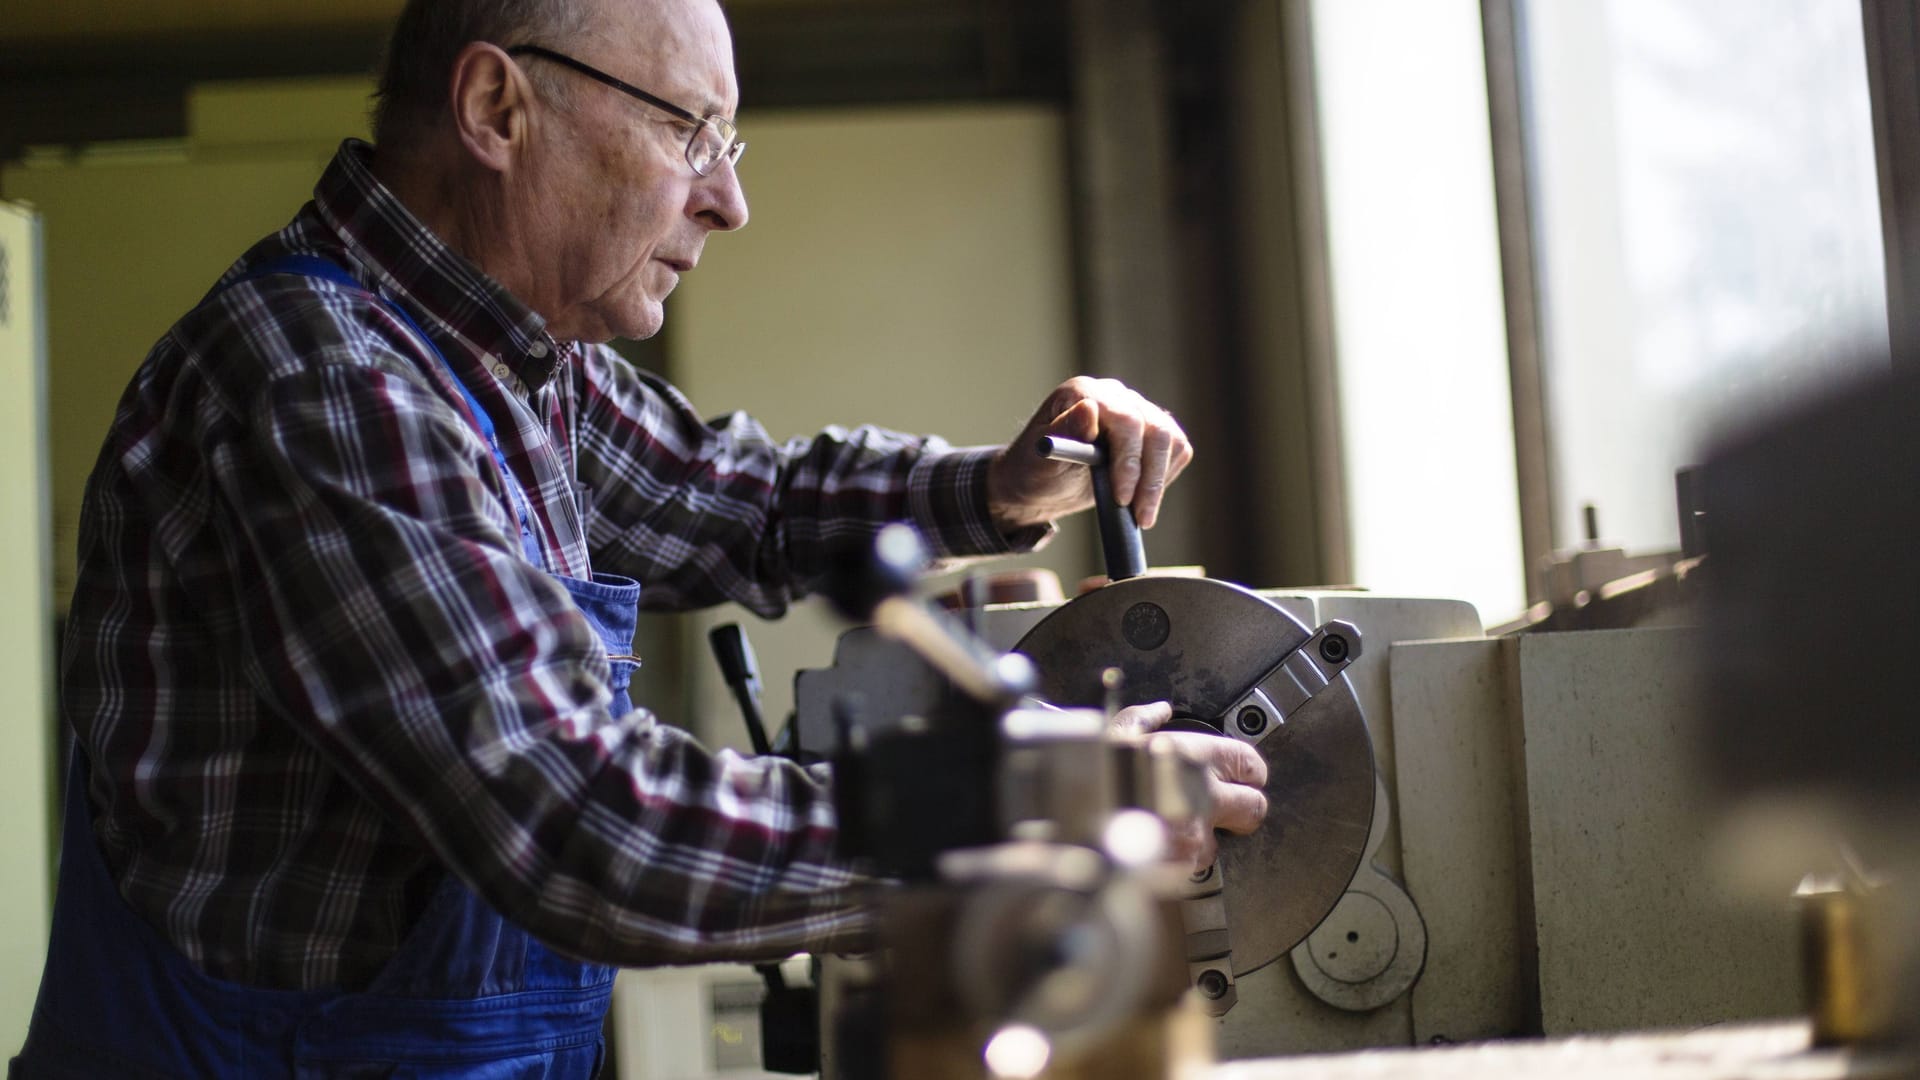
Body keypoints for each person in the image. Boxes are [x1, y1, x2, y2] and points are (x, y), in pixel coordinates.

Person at [11, 0, 1268, 1074]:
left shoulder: (512, 362)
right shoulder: (326, 380)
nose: (729, 200)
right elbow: (587, 824)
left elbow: (748, 499)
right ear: (499, 110)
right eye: (690, 131)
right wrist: (1027, 800)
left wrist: (996, 487)